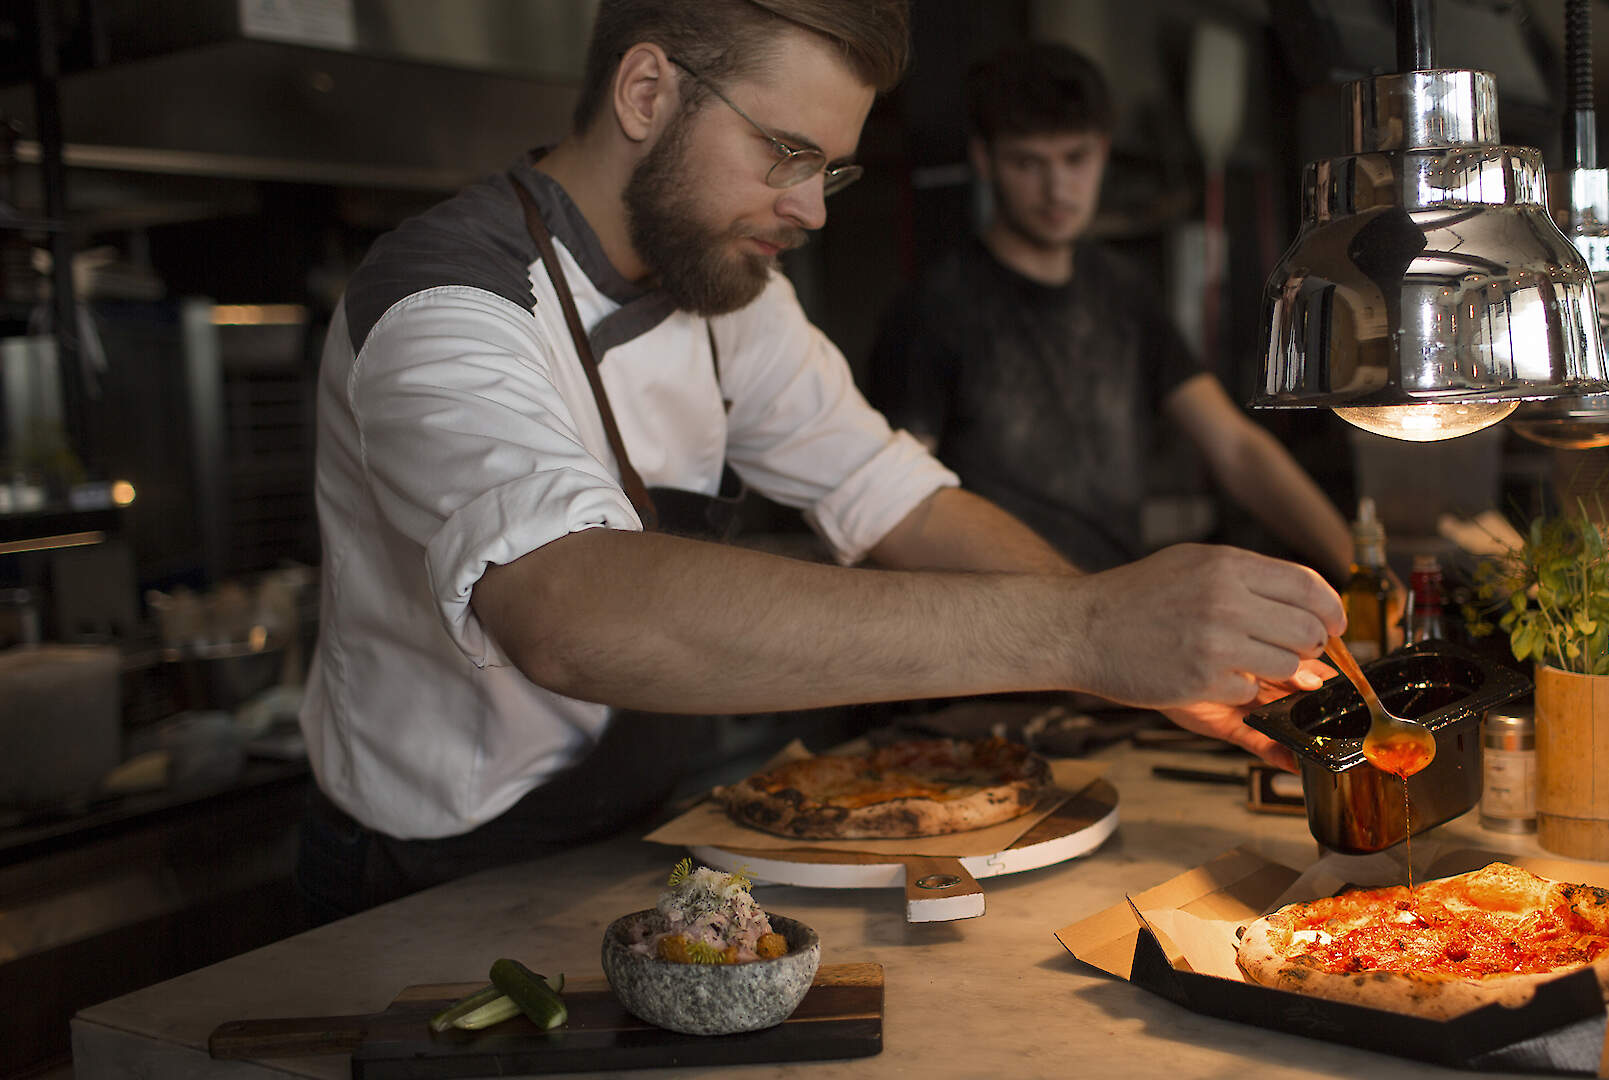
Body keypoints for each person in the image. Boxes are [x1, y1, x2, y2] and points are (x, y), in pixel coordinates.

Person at [296, 0, 1344, 921]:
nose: (813, 208)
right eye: (785, 155)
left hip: (635, 839)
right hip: (426, 873)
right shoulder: (445, 304)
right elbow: (572, 614)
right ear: (647, 92)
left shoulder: (726, 291)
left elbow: (895, 497)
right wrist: (1089, 630)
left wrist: (1141, 662)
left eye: (828, 167)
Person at [867, 42, 1352, 579]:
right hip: (992, 625)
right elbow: (901, 509)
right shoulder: (931, 310)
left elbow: (1237, 449)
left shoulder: (1124, 293)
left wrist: (1362, 567)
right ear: (985, 160)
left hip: (1117, 612)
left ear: (1102, 150)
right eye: (1028, 162)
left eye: (1075, 158)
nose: (1057, 189)